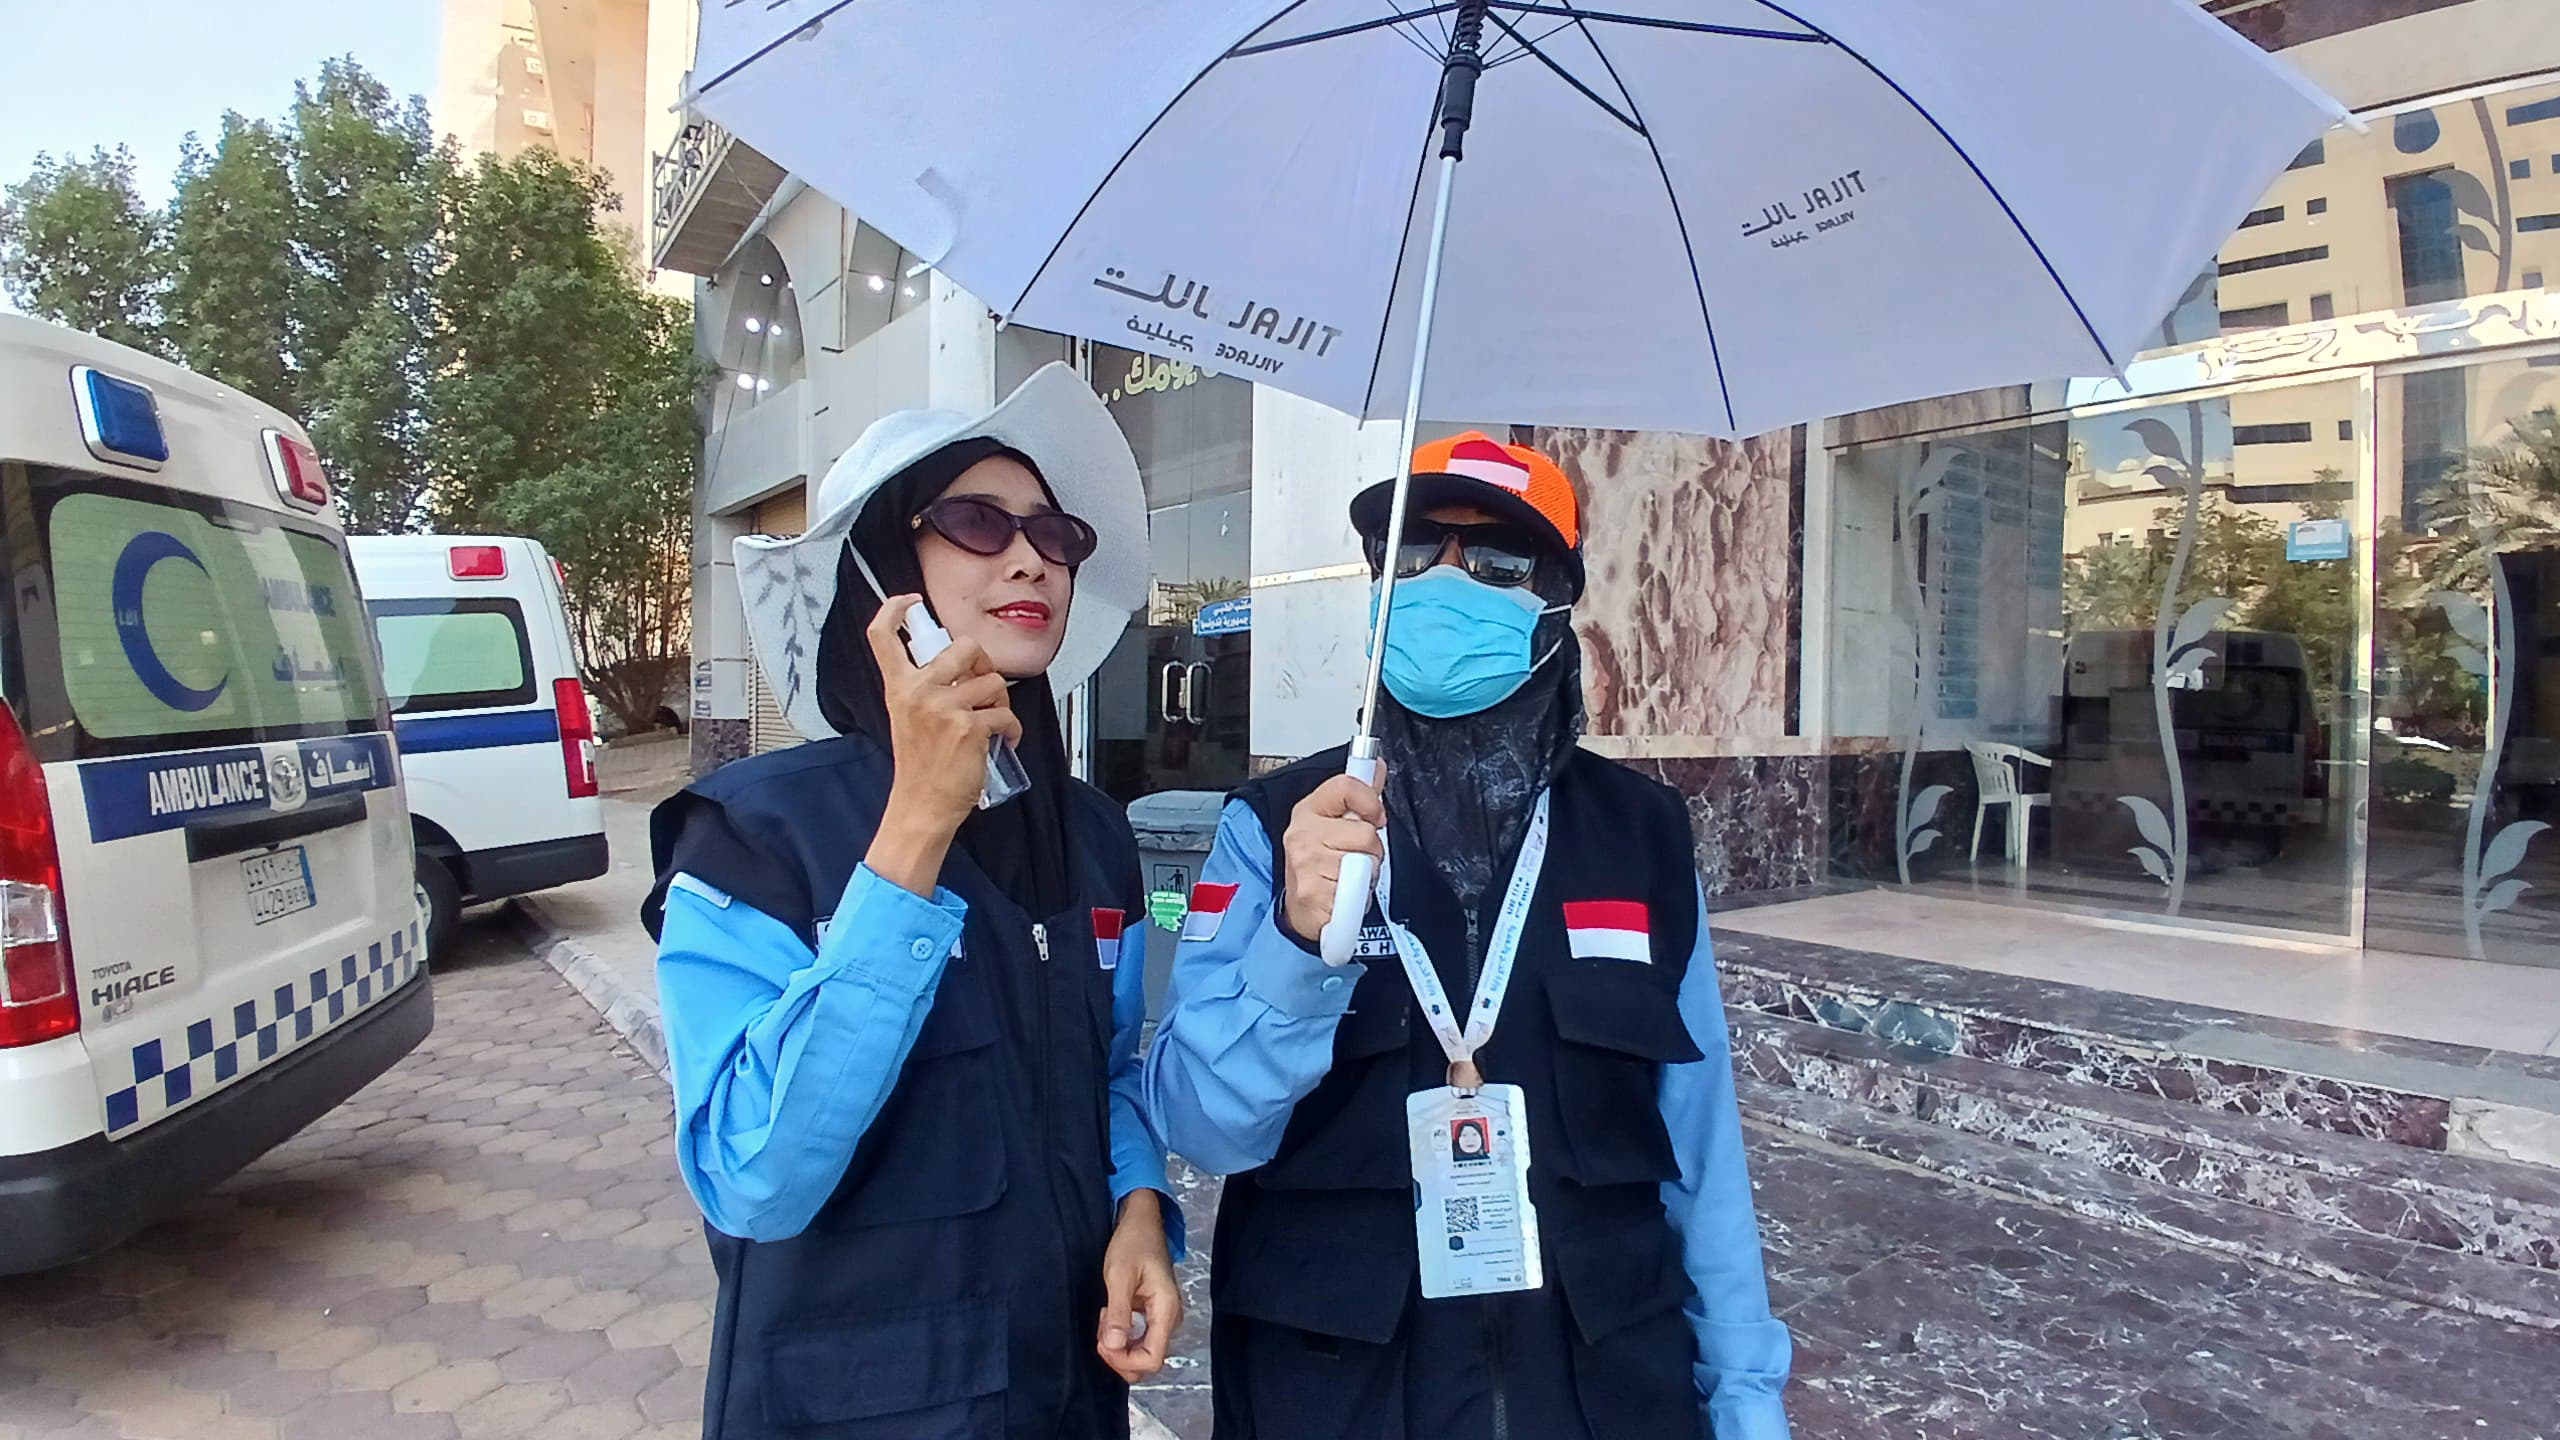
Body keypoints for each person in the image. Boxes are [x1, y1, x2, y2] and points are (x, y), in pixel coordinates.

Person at [1142, 433, 1792, 1439]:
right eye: (1411, 553)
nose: (1443, 582)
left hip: (1598, 1390)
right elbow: (1202, 1126)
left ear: (1555, 600)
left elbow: (1701, 1149)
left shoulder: (1642, 835)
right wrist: (1294, 947)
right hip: (1335, 1393)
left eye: (1493, 560)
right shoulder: (1273, 827)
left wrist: (1746, 1401)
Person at [645, 365, 1184, 1440]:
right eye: (978, 523)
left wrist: (1136, 1207)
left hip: (1069, 1398)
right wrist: (915, 831)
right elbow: (752, 1175)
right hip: (852, 1407)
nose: (1030, 557)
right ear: (879, 572)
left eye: (1055, 533)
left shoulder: (1088, 836)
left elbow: (1109, 1071)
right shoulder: (753, 837)